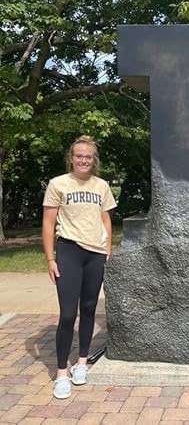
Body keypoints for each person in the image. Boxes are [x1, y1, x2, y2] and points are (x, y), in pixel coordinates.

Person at [42, 135, 117, 399]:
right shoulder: (58, 184)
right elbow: (48, 223)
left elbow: (105, 220)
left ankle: (81, 363)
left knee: (88, 309)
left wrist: (107, 251)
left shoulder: (101, 186)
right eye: (79, 156)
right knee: (67, 314)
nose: (83, 160)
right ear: (71, 158)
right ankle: (62, 373)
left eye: (88, 156)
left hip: (95, 254)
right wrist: (50, 258)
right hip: (69, 251)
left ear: (93, 160)